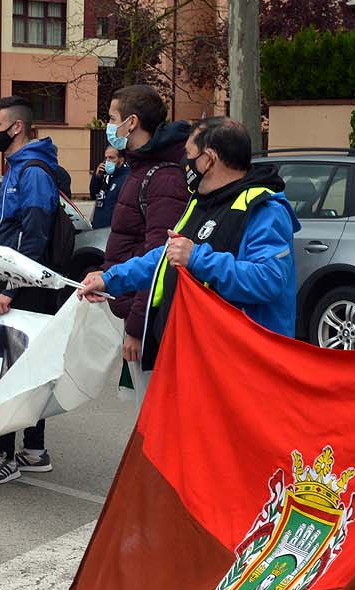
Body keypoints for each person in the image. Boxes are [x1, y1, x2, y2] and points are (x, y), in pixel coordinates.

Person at [79, 116, 298, 373]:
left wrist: (197, 258)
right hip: (199, 360)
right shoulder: (201, 201)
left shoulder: (264, 209)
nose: (185, 163)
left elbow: (269, 280)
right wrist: (110, 278)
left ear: (208, 159)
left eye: (189, 154)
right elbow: (167, 256)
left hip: (246, 366)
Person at [0, 95, 64, 486]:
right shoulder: (20, 167)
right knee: (26, 369)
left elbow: (34, 237)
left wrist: (11, 287)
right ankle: (34, 449)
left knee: (7, 371)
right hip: (23, 283)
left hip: (25, 286)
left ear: (16, 127)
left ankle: (5, 455)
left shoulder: (32, 172)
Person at [96, 84, 190, 396]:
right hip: (136, 313)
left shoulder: (162, 177)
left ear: (132, 122)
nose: (108, 125)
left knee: (154, 418)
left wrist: (138, 328)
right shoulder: (141, 168)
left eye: (112, 118)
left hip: (151, 324)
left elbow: (158, 259)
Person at [89, 141, 128, 230]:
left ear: (121, 160)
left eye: (111, 158)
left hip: (112, 228)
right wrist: (97, 177)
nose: (107, 161)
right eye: (106, 158)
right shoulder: (105, 175)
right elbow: (93, 194)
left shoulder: (125, 178)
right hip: (99, 225)